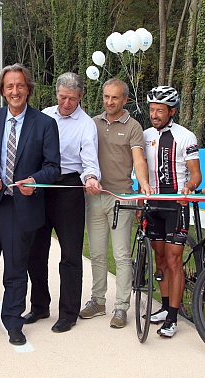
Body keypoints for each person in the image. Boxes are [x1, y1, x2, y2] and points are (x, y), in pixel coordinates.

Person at [0, 63, 61, 345]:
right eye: (9, 86)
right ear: (2, 90)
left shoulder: (45, 123)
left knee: (16, 268)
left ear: (29, 89)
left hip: (23, 207)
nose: (15, 91)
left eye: (20, 85)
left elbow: (53, 167)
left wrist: (34, 180)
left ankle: (13, 320)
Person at [23, 72, 101, 333]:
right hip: (43, 186)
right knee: (36, 250)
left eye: (72, 98)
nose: (67, 103)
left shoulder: (86, 124)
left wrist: (90, 177)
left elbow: (89, 159)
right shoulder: (44, 115)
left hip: (69, 188)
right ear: (56, 94)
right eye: (63, 97)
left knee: (70, 254)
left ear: (81, 97)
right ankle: (39, 305)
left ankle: (68, 312)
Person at [79, 78, 151, 329]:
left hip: (121, 198)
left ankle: (121, 307)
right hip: (94, 195)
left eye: (115, 97)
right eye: (106, 97)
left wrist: (143, 183)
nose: (109, 102)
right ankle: (98, 301)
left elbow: (139, 160)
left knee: (121, 255)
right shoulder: (92, 123)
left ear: (125, 100)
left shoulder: (133, 127)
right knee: (97, 253)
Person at [143, 86, 202, 338]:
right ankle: (165, 306)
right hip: (153, 204)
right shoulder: (144, 135)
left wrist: (189, 186)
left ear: (172, 111)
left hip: (175, 205)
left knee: (174, 260)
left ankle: (174, 317)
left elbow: (196, 173)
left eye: (160, 110)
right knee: (159, 260)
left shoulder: (185, 136)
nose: (155, 114)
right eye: (152, 110)